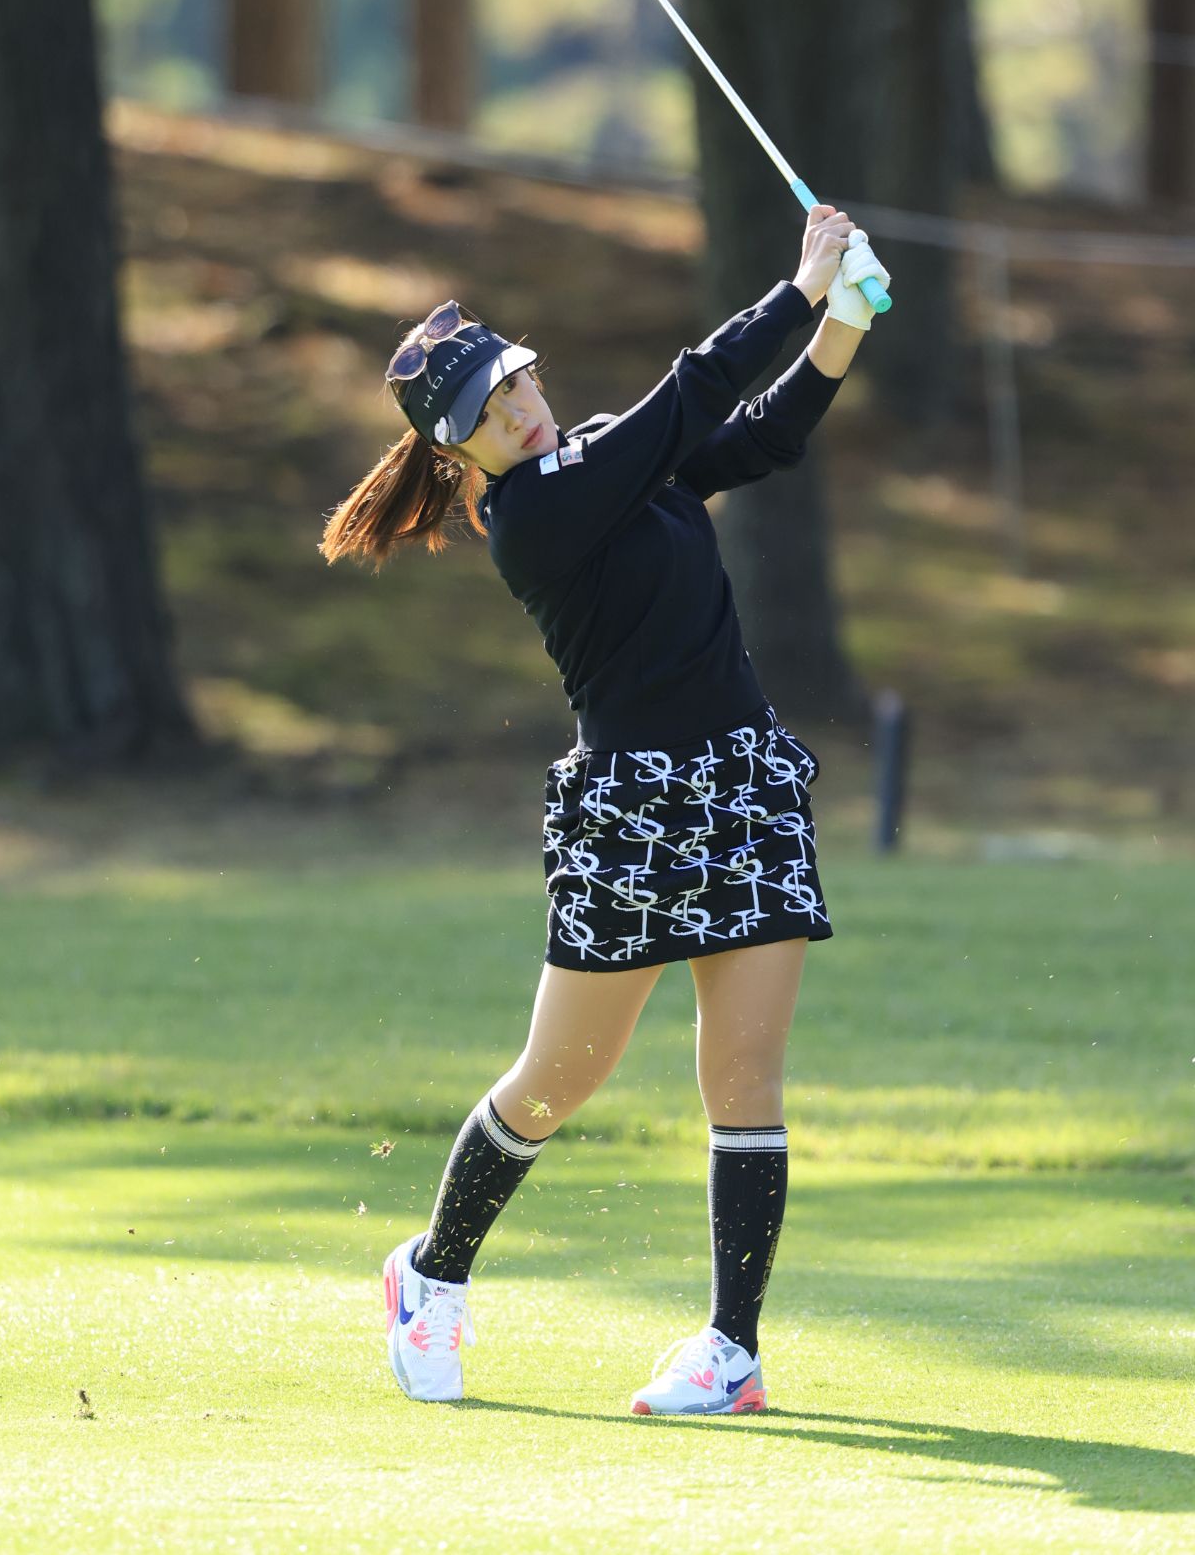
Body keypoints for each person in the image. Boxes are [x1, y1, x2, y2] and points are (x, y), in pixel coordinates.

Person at [319, 204, 890, 1415]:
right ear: (459, 455)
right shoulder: (533, 513)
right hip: (631, 812)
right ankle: (431, 1273)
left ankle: (732, 1350)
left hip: (744, 782)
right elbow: (693, 393)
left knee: (746, 1078)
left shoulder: (598, 457)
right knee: (558, 1077)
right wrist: (799, 290)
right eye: (491, 413)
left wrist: (842, 321)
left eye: (518, 383)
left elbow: (760, 435)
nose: (521, 410)